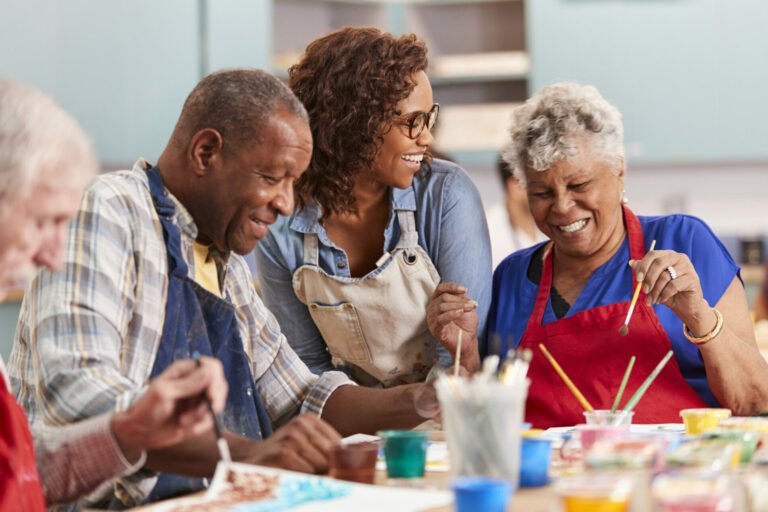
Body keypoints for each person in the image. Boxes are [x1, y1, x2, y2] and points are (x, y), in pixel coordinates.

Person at [10, 68, 439, 509]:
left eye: (294, 183)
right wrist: (247, 456)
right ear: (206, 152)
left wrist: (426, 399)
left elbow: (299, 398)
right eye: (273, 178)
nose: (287, 203)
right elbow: (75, 394)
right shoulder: (109, 210)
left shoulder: (224, 260)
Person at [0, 78, 227, 511]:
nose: (53, 258)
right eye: (43, 222)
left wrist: (130, 430)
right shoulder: (112, 206)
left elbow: (24, 473)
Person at [489, 82, 768, 428]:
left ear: (619, 171)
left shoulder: (685, 242)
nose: (562, 207)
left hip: (673, 476)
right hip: (550, 479)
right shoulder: (511, 278)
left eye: (579, 186)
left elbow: (755, 401)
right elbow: (490, 411)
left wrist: (698, 316)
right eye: (542, 192)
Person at [256, 27, 492, 387]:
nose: (427, 138)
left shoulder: (447, 196)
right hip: (350, 428)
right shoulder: (281, 224)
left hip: (445, 423)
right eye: (413, 122)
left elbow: (460, 362)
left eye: (429, 119)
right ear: (354, 123)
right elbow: (306, 375)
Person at [486, 153, 546, 268]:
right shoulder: (489, 235)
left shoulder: (547, 222)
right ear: (514, 185)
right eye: (538, 183)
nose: (545, 191)